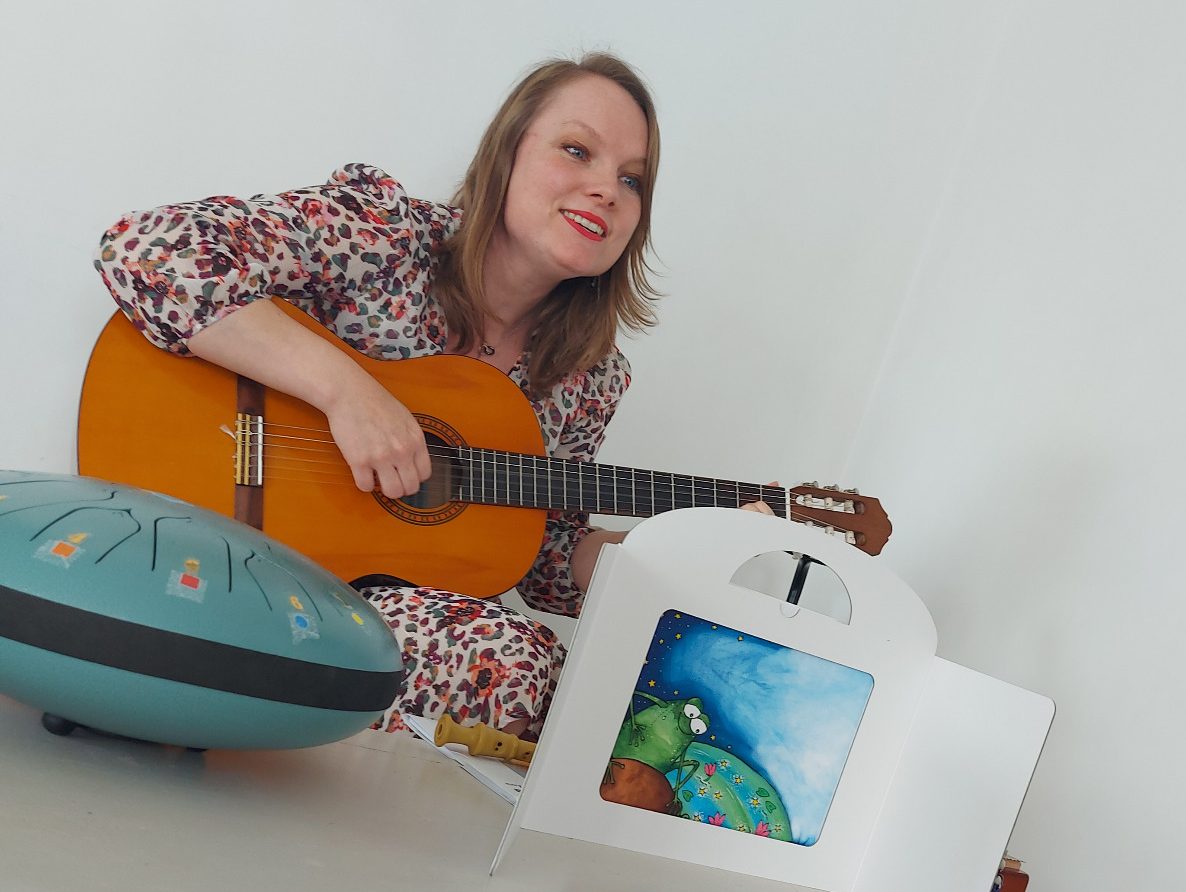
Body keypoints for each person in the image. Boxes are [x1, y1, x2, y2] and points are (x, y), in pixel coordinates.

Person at [95, 52, 771, 741]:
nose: (607, 190)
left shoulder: (589, 377)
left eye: (632, 180)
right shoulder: (383, 236)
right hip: (210, 543)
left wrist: (683, 546)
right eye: (577, 150)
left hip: (361, 609)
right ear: (507, 152)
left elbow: (546, 556)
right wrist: (348, 393)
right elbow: (147, 250)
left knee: (534, 673)